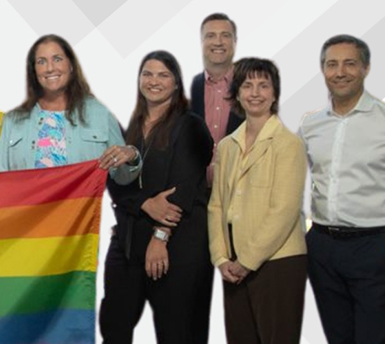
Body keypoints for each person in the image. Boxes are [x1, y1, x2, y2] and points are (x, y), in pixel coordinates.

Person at [100, 50, 214, 344]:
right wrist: (144, 203)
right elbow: (116, 183)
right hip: (128, 244)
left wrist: (159, 238)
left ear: (176, 83)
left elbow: (183, 191)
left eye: (163, 75)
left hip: (175, 248)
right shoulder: (131, 129)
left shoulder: (191, 126)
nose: (154, 81)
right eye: (147, 74)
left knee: (176, 332)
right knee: (113, 323)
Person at [208, 58, 307, 344]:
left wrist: (247, 261)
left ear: (275, 94)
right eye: (247, 85)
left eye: (264, 85)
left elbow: (285, 211)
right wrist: (221, 258)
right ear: (237, 92)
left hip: (278, 262)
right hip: (233, 263)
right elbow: (216, 205)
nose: (255, 93)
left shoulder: (288, 143)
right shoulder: (227, 146)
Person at [299, 34, 385, 344]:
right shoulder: (310, 125)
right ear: (322, 70)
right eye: (332, 64)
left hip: (374, 246)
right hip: (322, 247)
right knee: (337, 336)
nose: (340, 72)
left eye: (350, 63)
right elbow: (293, 180)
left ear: (366, 68)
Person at [0, 34, 139, 179]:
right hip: (28, 203)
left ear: (71, 65)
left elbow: (122, 177)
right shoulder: (13, 120)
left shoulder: (99, 114)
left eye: (57, 59)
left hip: (80, 202)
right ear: (34, 70)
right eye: (41, 61)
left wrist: (132, 155)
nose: (50, 68)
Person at [190, 13, 244, 188]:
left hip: (239, 196)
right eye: (210, 36)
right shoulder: (188, 88)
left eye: (225, 35)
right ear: (201, 42)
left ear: (235, 41)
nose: (218, 42)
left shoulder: (251, 87)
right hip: (196, 199)